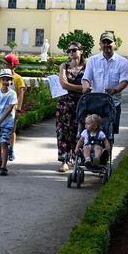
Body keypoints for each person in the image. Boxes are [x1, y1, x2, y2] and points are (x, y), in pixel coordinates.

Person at [82, 31, 128, 136]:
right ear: (100, 44)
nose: (106, 45)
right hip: (95, 104)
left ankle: (107, 152)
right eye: (104, 42)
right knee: (92, 134)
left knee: (109, 134)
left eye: (109, 42)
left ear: (115, 44)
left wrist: (115, 89)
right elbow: (86, 78)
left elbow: (124, 81)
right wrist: (86, 87)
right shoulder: (92, 60)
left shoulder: (123, 61)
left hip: (113, 104)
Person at [55, 42, 86, 172]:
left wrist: (72, 87)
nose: (71, 53)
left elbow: (88, 88)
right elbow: (63, 84)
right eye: (69, 50)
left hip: (81, 104)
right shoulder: (64, 66)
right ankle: (64, 161)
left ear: (81, 51)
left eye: (74, 50)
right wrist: (81, 88)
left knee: (78, 132)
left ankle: (75, 158)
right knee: (63, 132)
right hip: (64, 104)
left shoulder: (87, 66)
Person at [0, 53, 26, 162]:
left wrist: (18, 109)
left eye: (6, 63)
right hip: (0, 110)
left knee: (11, 130)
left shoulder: (18, 78)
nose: (4, 65)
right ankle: (1, 154)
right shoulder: (1, 77)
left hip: (12, 109)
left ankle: (11, 150)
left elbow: (21, 95)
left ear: (12, 65)